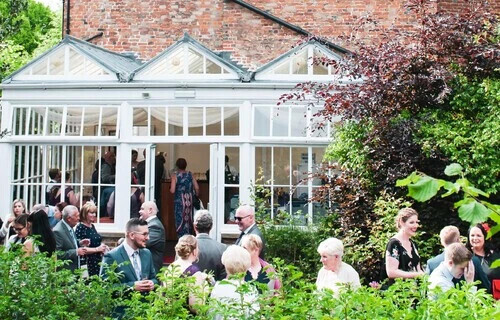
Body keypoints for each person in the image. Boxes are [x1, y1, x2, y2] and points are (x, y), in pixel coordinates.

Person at [426, 226, 490, 293]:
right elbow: (485, 288)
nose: (463, 272)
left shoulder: (432, 263)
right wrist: (470, 285)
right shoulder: (473, 260)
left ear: (441, 242)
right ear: (458, 240)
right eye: (462, 268)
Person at [100, 218, 158, 291]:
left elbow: (154, 278)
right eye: (144, 234)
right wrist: (132, 286)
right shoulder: (112, 256)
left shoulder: (147, 253)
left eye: (148, 234)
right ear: (132, 235)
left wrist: (152, 283)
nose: (148, 238)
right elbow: (105, 287)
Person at [210, 245, 259, 318]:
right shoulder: (251, 290)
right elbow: (255, 316)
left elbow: (211, 314)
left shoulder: (218, 287)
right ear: (247, 266)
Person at [164, 235, 210, 309]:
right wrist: (205, 289)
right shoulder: (194, 272)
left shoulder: (170, 267)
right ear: (194, 251)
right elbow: (196, 308)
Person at [383, 208, 424, 283]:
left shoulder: (413, 244)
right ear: (402, 222)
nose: (416, 226)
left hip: (416, 291)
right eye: (411, 222)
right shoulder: (394, 244)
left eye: (417, 222)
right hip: (399, 291)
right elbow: (391, 272)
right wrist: (416, 275)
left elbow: (419, 269)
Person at [75, 202, 108, 276]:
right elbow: (81, 248)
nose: (94, 215)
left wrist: (103, 246)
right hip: (87, 262)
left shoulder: (92, 226)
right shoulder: (81, 227)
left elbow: (95, 241)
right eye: (92, 213)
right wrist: (97, 249)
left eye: (95, 213)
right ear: (85, 213)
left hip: (97, 260)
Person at [53, 205, 89, 271]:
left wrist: (79, 243)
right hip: (66, 273)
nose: (79, 218)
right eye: (77, 216)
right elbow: (57, 254)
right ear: (69, 218)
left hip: (75, 270)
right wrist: (75, 252)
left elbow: (68, 243)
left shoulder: (70, 226)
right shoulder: (58, 231)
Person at [193, 210, 227, 281]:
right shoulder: (223, 248)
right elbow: (224, 278)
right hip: (215, 290)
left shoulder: (185, 247)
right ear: (211, 226)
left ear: (194, 226)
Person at [466, 223, 500, 294]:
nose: (475, 238)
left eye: (478, 235)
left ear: (485, 237)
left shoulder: (495, 256)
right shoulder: (465, 256)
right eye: (472, 235)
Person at [170, 158, 199, 238]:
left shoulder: (175, 176)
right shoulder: (190, 174)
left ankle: (181, 239)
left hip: (179, 201)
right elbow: (197, 187)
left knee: (180, 220)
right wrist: (196, 195)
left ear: (177, 166)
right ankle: (189, 238)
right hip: (189, 200)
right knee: (189, 219)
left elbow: (172, 190)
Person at [139, 201, 165, 273]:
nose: (139, 211)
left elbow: (143, 243)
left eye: (142, 209)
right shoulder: (149, 224)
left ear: (150, 210)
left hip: (152, 270)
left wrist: (124, 240)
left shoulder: (155, 226)